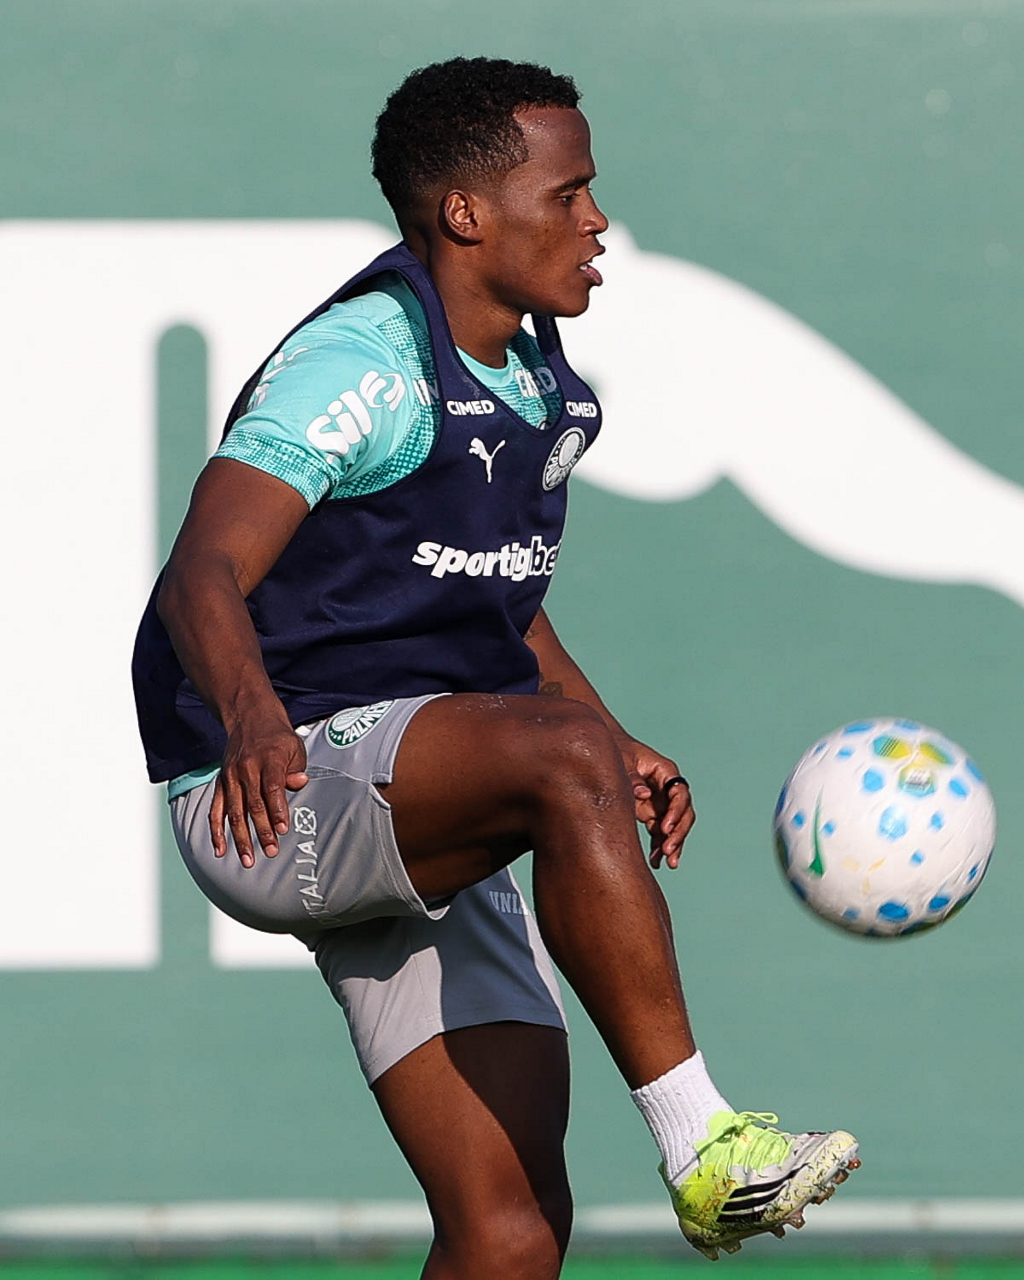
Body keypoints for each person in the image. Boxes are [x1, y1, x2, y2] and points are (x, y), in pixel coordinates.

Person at [132, 57, 858, 1277]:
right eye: (567, 194)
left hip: (407, 796)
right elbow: (201, 568)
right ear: (465, 213)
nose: (597, 221)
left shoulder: (528, 376)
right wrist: (252, 718)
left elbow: (491, 594)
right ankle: (703, 1144)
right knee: (559, 758)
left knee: (511, 1230)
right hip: (268, 785)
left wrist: (604, 734)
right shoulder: (362, 364)